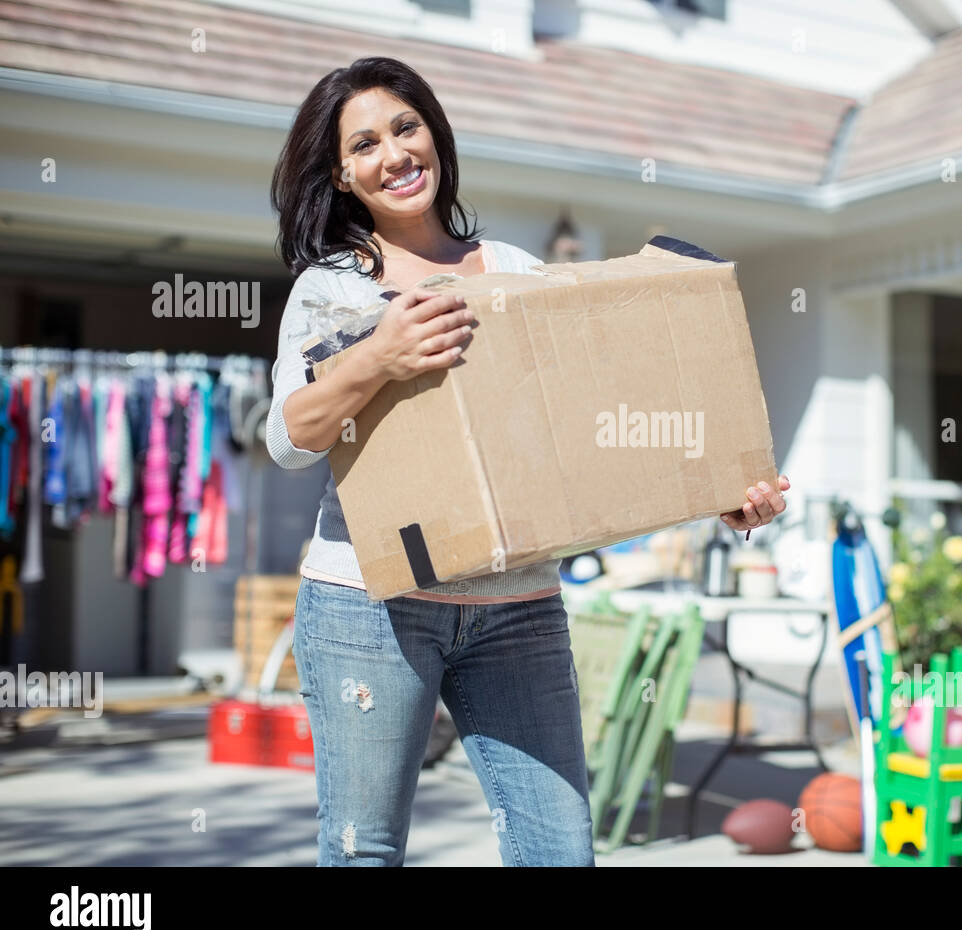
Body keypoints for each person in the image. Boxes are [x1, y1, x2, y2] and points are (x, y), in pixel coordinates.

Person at [268, 55, 791, 866]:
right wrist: (379, 355)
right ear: (340, 174)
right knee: (364, 850)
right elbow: (287, 441)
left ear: (435, 135)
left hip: (518, 609)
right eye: (365, 144)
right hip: (371, 609)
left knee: (558, 847)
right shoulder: (332, 289)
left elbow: (581, 433)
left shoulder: (513, 271)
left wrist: (717, 489)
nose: (395, 154)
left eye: (407, 127)